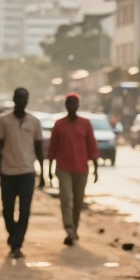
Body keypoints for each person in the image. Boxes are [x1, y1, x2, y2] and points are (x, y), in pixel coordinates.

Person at [0, 88, 45, 259]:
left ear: (27, 101)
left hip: (27, 172)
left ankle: (17, 243)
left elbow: (39, 149)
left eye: (24, 99)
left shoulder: (35, 122)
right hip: (7, 172)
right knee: (7, 209)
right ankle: (13, 233)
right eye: (18, 98)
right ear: (14, 99)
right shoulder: (4, 121)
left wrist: (43, 173)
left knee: (24, 210)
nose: (21, 101)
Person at [46, 93, 98, 246]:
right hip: (63, 168)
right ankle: (69, 228)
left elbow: (92, 146)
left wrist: (96, 168)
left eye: (74, 103)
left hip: (81, 168)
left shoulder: (85, 123)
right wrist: (48, 169)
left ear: (78, 105)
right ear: (66, 105)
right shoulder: (59, 124)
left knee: (78, 201)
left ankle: (74, 228)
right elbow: (52, 148)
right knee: (66, 198)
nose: (72, 105)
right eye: (69, 103)